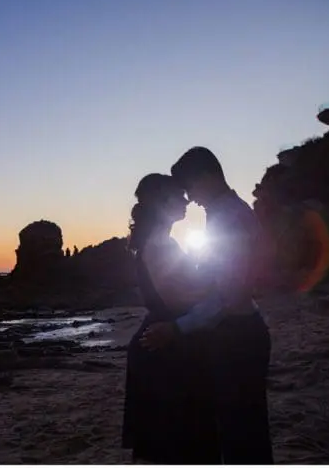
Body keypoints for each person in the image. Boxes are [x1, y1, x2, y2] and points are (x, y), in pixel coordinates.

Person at [140, 147, 274, 464]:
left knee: (243, 432)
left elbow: (229, 293)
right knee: (238, 429)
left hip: (239, 336)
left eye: (190, 188)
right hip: (235, 332)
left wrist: (177, 328)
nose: (190, 198)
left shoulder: (229, 217)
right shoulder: (224, 214)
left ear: (207, 177)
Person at [121, 173, 221, 464]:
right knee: (173, 439)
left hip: (168, 339)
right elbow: (176, 298)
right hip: (164, 344)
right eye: (179, 196)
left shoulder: (163, 242)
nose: (186, 200)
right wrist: (217, 287)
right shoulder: (159, 245)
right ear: (161, 203)